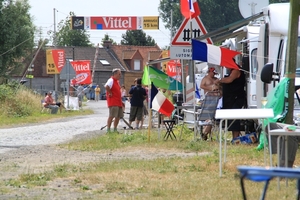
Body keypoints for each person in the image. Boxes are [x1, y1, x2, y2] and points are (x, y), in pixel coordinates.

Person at [215, 60, 246, 140]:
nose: (225, 67)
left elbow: (230, 80)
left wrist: (220, 80)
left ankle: (236, 137)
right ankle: (234, 137)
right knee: (231, 118)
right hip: (230, 99)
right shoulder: (231, 71)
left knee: (234, 117)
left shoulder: (236, 70)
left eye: (226, 65)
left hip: (237, 98)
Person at [200, 67, 219, 140]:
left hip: (215, 99)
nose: (214, 74)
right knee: (208, 116)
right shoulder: (205, 78)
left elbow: (219, 87)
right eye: (213, 73)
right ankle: (205, 132)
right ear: (209, 72)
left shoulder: (215, 79)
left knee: (211, 117)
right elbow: (201, 86)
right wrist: (210, 88)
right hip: (208, 98)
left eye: (215, 73)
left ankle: (205, 133)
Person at [104, 68, 123, 133]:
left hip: (118, 102)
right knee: (111, 116)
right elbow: (106, 86)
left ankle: (115, 129)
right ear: (115, 74)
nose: (120, 75)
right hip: (113, 102)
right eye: (119, 74)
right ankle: (108, 130)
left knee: (118, 116)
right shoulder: (111, 80)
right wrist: (110, 93)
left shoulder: (117, 82)